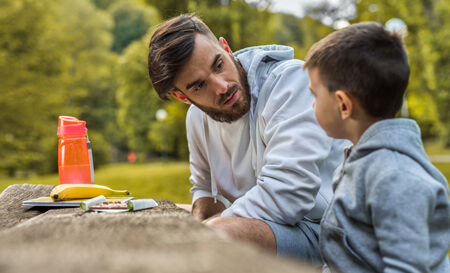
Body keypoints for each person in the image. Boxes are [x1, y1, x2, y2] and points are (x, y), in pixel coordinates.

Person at [147, 14, 348, 264]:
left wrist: (210, 227)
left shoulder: (290, 82)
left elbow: (288, 196)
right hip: (273, 227)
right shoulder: (196, 119)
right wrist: (201, 219)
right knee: (159, 215)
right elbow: (204, 191)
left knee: (216, 237)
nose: (221, 87)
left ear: (226, 48)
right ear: (183, 97)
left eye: (218, 65)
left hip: (331, 234)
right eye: (199, 86)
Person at [303, 21, 450, 272]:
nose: (312, 106)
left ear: (343, 105)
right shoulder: (363, 160)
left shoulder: (395, 176)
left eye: (315, 95)